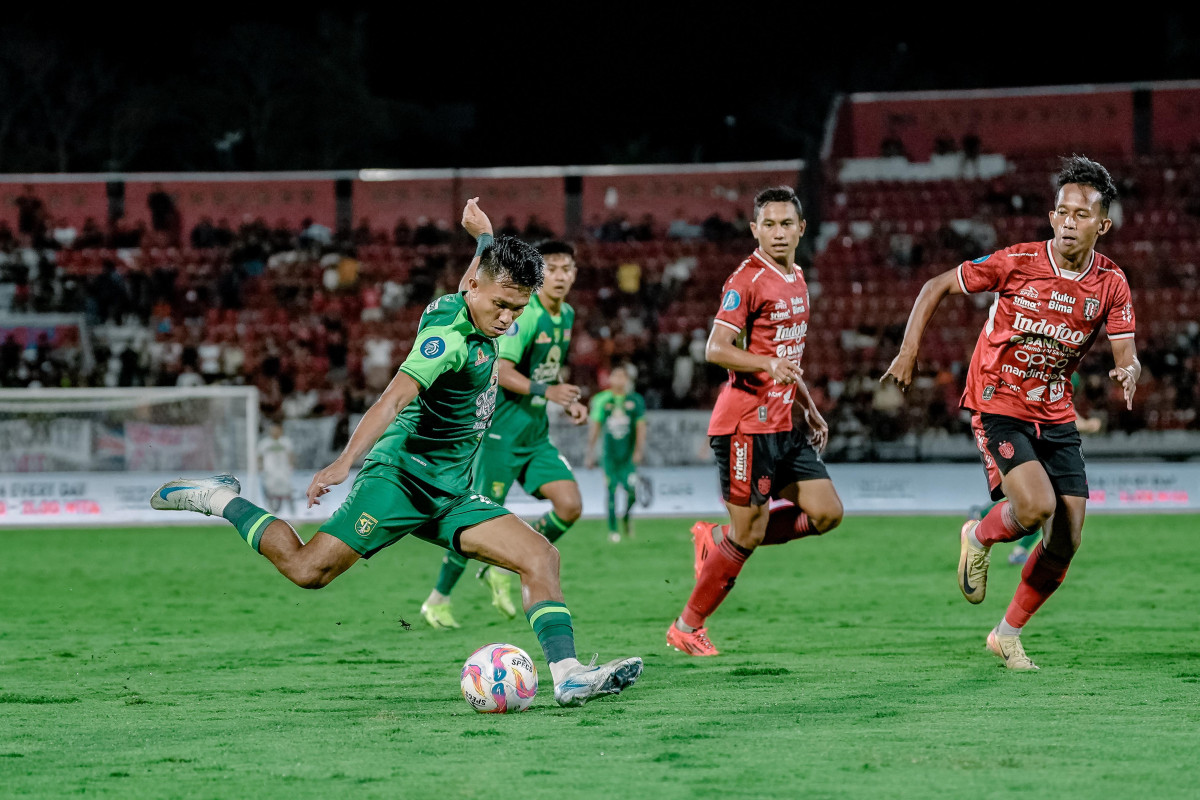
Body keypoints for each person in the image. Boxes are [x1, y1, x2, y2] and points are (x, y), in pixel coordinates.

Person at [150, 199, 642, 708]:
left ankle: (568, 676)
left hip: (451, 490)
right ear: (477, 288)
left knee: (541, 556)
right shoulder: (446, 339)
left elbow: (474, 281)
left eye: (518, 309)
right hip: (400, 480)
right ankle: (216, 498)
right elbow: (393, 398)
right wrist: (346, 463)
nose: (508, 318)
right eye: (502, 305)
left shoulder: (470, 299)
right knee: (306, 570)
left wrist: (484, 239)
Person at [881, 155, 1139, 670]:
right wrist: (908, 351)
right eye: (1063, 212)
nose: (1069, 222)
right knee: (1037, 506)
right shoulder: (1017, 262)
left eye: (1082, 215)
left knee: (1067, 537)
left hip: (1056, 410)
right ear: (1052, 216)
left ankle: (1006, 634)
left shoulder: (1111, 283)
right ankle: (978, 534)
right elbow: (936, 286)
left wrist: (1128, 370)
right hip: (998, 401)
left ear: (1102, 225)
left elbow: (1125, 351)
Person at [665, 186, 844, 657]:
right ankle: (687, 625)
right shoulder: (745, 279)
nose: (778, 232)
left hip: (785, 424)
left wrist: (807, 404)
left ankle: (717, 539)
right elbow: (715, 348)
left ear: (801, 229)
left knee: (827, 512)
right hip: (745, 425)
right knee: (750, 533)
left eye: (787, 224)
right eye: (769, 224)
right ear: (755, 229)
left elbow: (788, 355)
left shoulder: (799, 277)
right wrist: (765, 366)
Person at [420, 239, 588, 629]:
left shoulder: (566, 315)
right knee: (475, 524)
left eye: (568, 269)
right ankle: (437, 600)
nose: (561, 277)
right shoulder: (525, 316)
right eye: (553, 270)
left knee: (570, 504)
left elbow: (544, 370)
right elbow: (504, 371)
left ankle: (507, 565)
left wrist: (565, 397)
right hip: (501, 435)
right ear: (539, 276)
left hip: (535, 434)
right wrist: (550, 393)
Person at [585, 363, 647, 543]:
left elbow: (641, 427)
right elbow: (595, 427)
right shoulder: (602, 400)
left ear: (628, 380)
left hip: (628, 457)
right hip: (609, 457)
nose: (619, 380)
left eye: (623, 377)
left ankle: (626, 517)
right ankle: (613, 530)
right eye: (616, 376)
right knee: (611, 490)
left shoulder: (635, 400)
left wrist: (638, 450)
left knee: (632, 492)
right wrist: (590, 453)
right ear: (610, 379)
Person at [257, 422, 296, 516]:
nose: (275, 431)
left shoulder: (286, 441)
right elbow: (259, 456)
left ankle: (293, 514)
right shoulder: (265, 443)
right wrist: (260, 467)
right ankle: (272, 513)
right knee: (270, 494)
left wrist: (291, 466)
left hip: (283, 472)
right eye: (273, 429)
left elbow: (291, 454)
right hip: (270, 472)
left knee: (288, 492)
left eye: (276, 429)